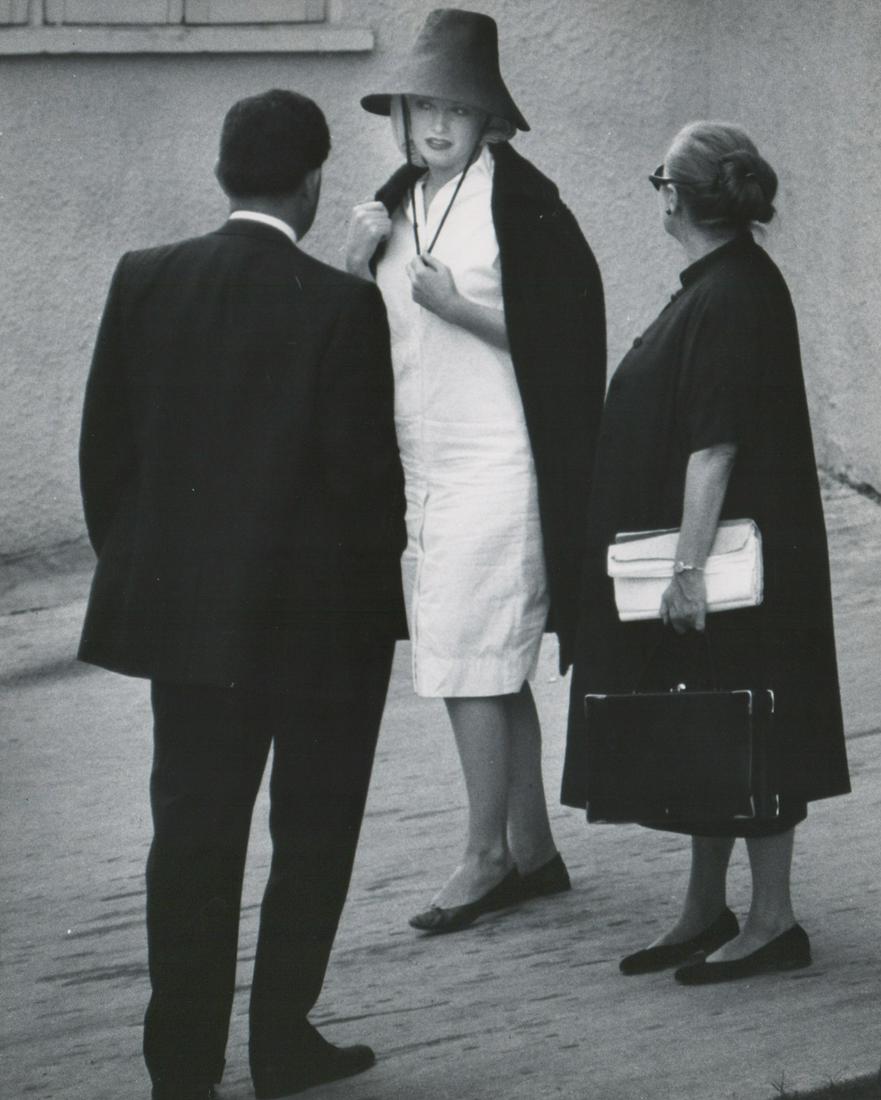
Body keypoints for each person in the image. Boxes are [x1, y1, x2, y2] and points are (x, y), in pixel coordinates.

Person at [78, 89, 407, 1099]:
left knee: (191, 842)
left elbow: (107, 461)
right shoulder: (343, 304)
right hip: (318, 639)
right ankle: (280, 1042)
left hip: (188, 630)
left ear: (225, 174)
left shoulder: (145, 280)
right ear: (311, 181)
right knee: (309, 837)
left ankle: (181, 1066)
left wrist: (160, 581)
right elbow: (366, 490)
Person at [562, 121, 850, 983]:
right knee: (708, 725)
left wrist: (685, 570)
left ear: (673, 196)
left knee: (748, 724)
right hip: (732, 557)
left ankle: (771, 922)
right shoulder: (720, 283)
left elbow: (713, 447)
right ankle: (703, 908)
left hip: (733, 567)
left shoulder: (731, 293)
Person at [346, 9, 606, 934]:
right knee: (489, 666)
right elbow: (367, 335)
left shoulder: (522, 205)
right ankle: (532, 852)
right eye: (424, 106)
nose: (439, 126)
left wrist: (464, 309)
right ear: (403, 116)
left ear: (488, 117)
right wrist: (350, 265)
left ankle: (484, 855)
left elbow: (573, 347)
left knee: (465, 662)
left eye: (458, 108)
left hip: (500, 462)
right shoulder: (394, 202)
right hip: (426, 465)